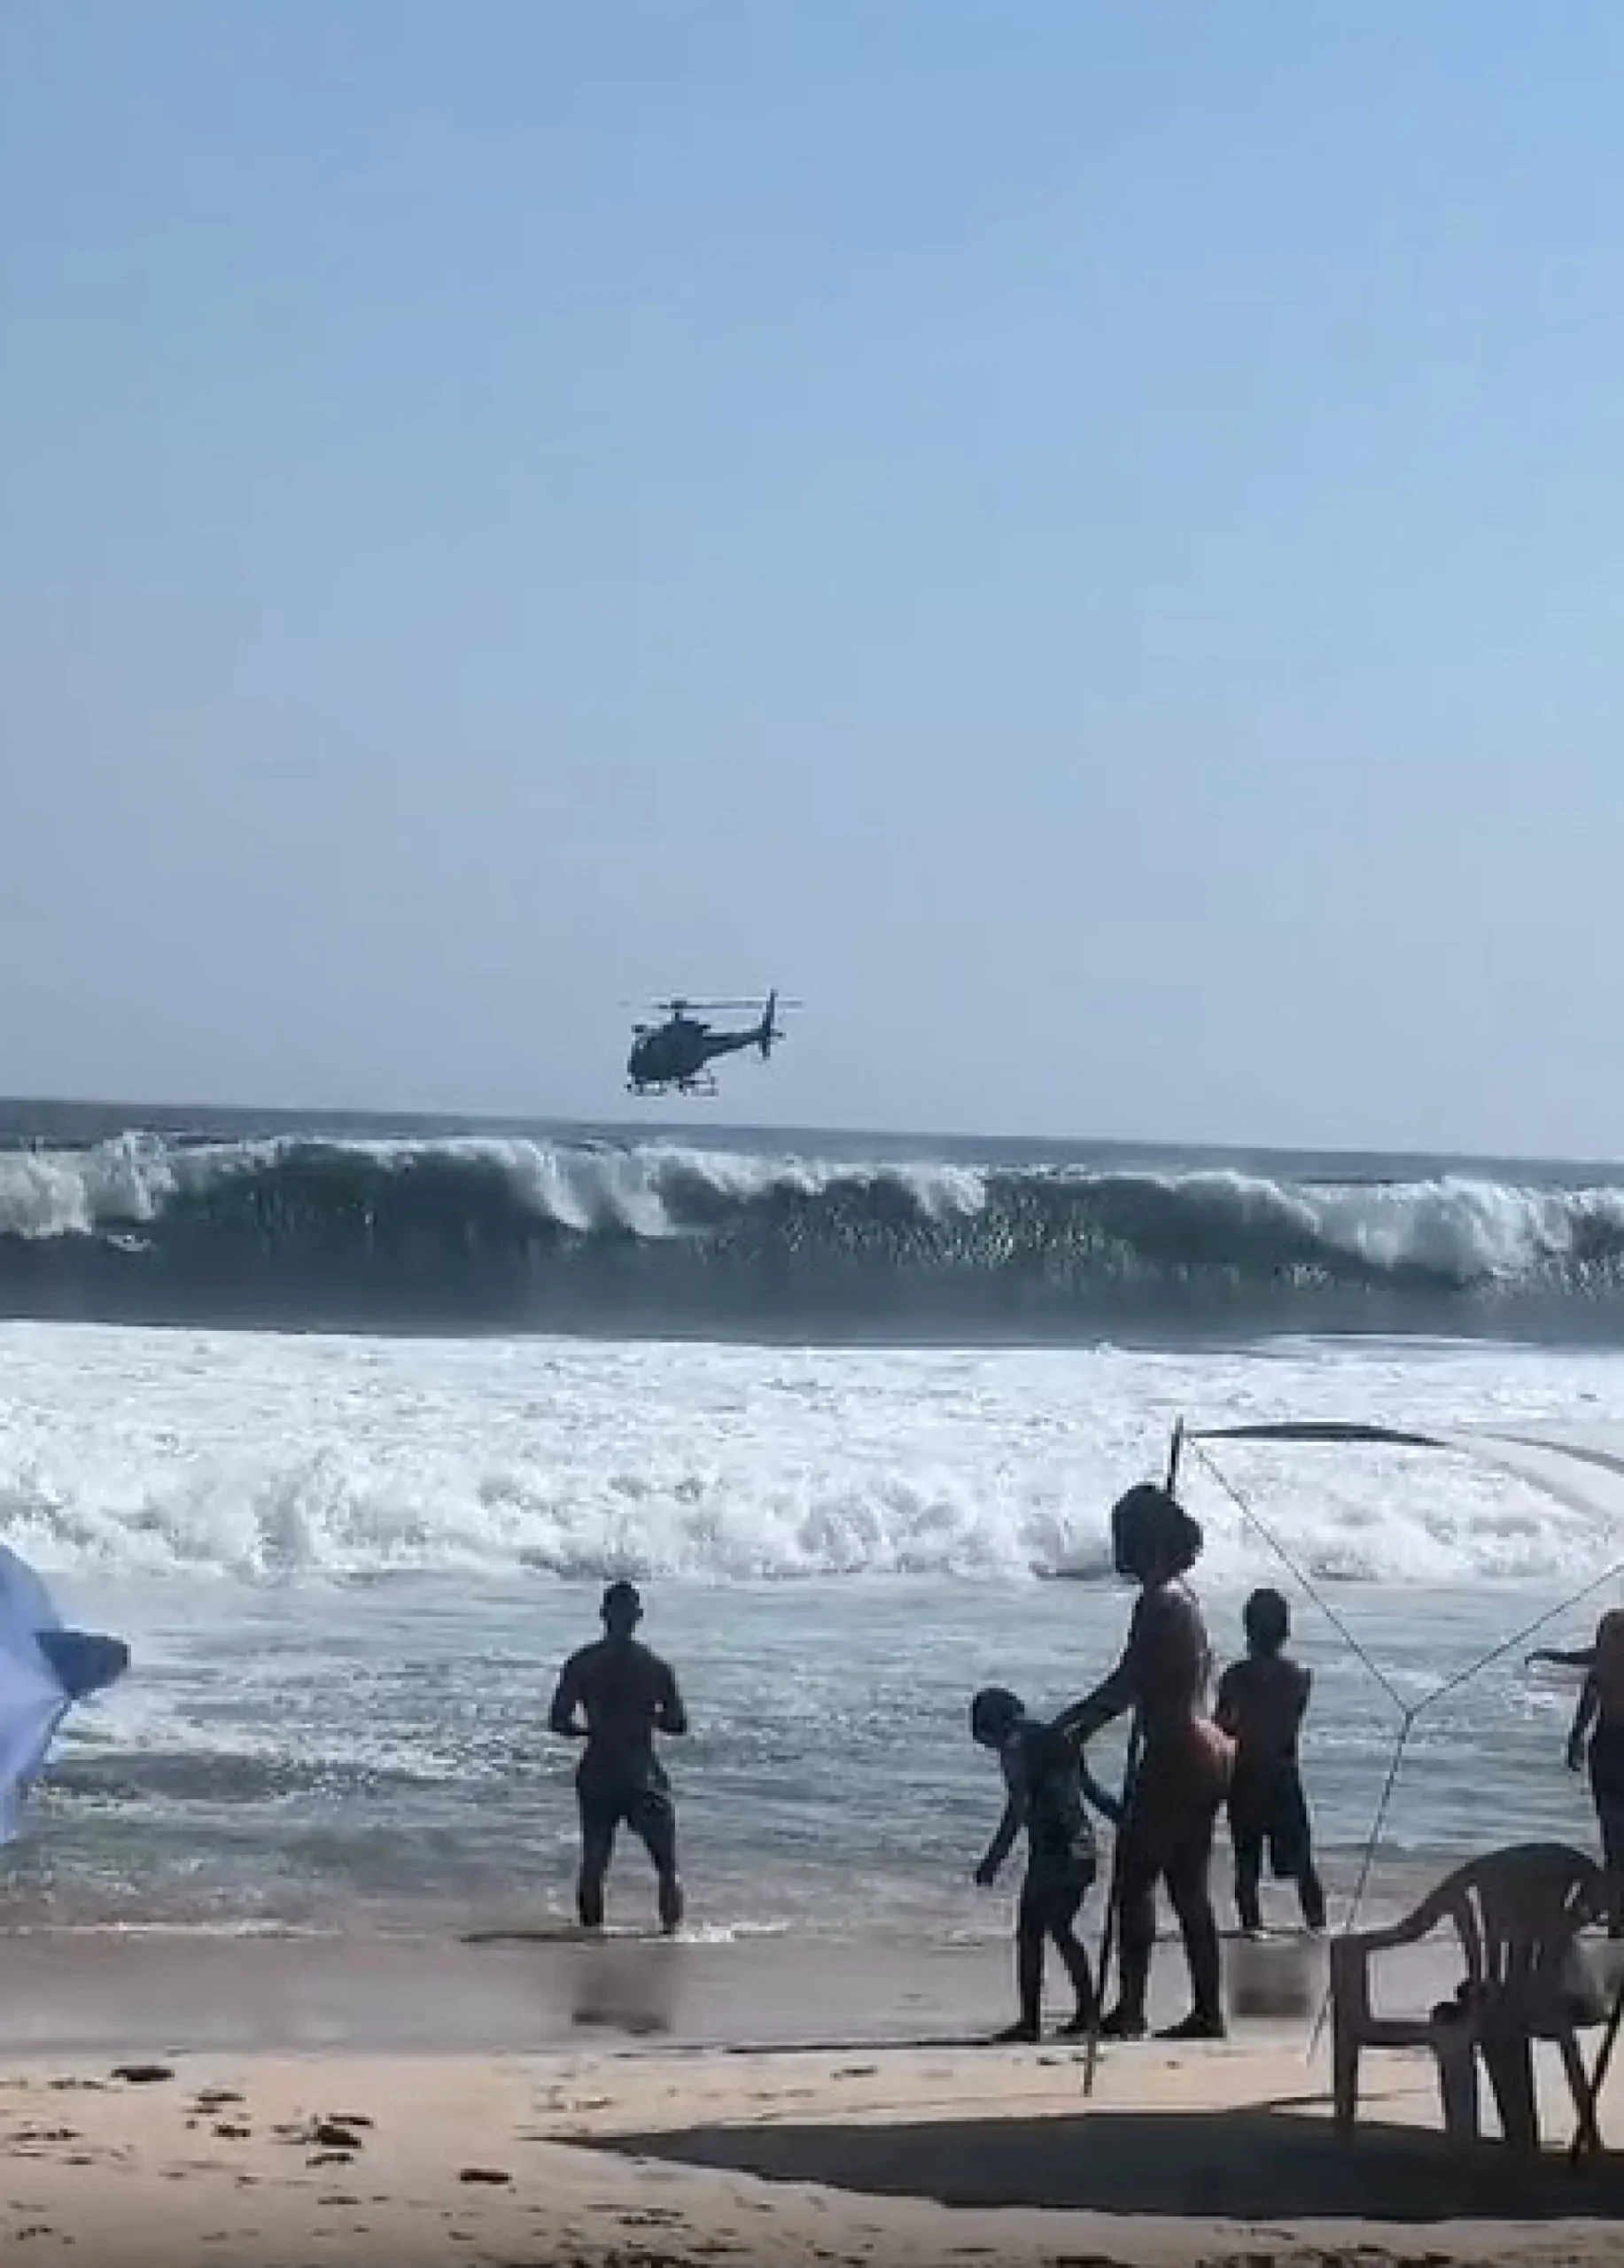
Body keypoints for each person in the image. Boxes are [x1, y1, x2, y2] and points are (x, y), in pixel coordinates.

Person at [1055, 1483, 1233, 2041]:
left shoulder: (1160, 1603)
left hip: (1176, 1750)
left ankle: (1130, 2008)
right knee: (1189, 1889)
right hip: (1209, 1749)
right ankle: (1207, 2010)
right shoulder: (1185, 1598)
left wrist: (1076, 1723)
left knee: (1134, 1882)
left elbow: (1129, 1681)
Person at [969, 1686, 1123, 2043]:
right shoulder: (1057, 1738)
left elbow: (1018, 1807)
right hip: (1083, 1845)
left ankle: (1030, 2021)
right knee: (1063, 1930)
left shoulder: (1016, 1746)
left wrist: (994, 1858)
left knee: (1030, 1934)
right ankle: (1088, 2010)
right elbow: (1091, 1791)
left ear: (991, 1724)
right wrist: (1126, 1819)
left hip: (1053, 1851)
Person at [548, 1581, 688, 1934]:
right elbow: (678, 1724)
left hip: (598, 1771)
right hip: (641, 1772)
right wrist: (644, 1719)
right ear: (638, 1617)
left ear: (603, 1615)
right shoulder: (656, 1667)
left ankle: (590, 1936)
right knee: (666, 1864)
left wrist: (593, 1731)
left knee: (594, 1861)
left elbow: (558, 1722)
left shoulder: (582, 1663)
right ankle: (671, 1936)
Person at [1214, 1588, 1326, 1938]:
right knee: (1302, 1860)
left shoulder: (1234, 1677)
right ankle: (1317, 1924)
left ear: (1248, 1630)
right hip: (1283, 1775)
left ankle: (1252, 1925)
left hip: (1244, 1777)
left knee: (1246, 1859)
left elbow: (1223, 1726)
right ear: (1286, 1631)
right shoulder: (1299, 1677)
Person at [1532, 1610, 1624, 1937]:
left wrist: (1575, 1741)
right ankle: (1616, 1917)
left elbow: (1586, 1701)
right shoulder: (1601, 1666)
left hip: (1606, 1751)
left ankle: (1616, 1915)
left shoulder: (1601, 1664)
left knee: (1615, 1842)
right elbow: (1586, 1698)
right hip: (1609, 1753)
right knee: (1615, 1843)